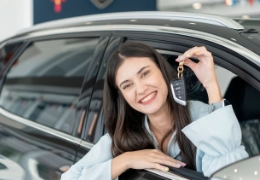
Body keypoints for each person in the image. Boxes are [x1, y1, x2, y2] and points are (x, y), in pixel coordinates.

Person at [61, 42, 249, 180]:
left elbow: (232, 173)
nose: (141, 89)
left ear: (162, 70)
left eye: (145, 74)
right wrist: (125, 160)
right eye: (127, 86)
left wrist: (210, 84)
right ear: (122, 96)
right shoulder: (122, 136)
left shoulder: (201, 117)